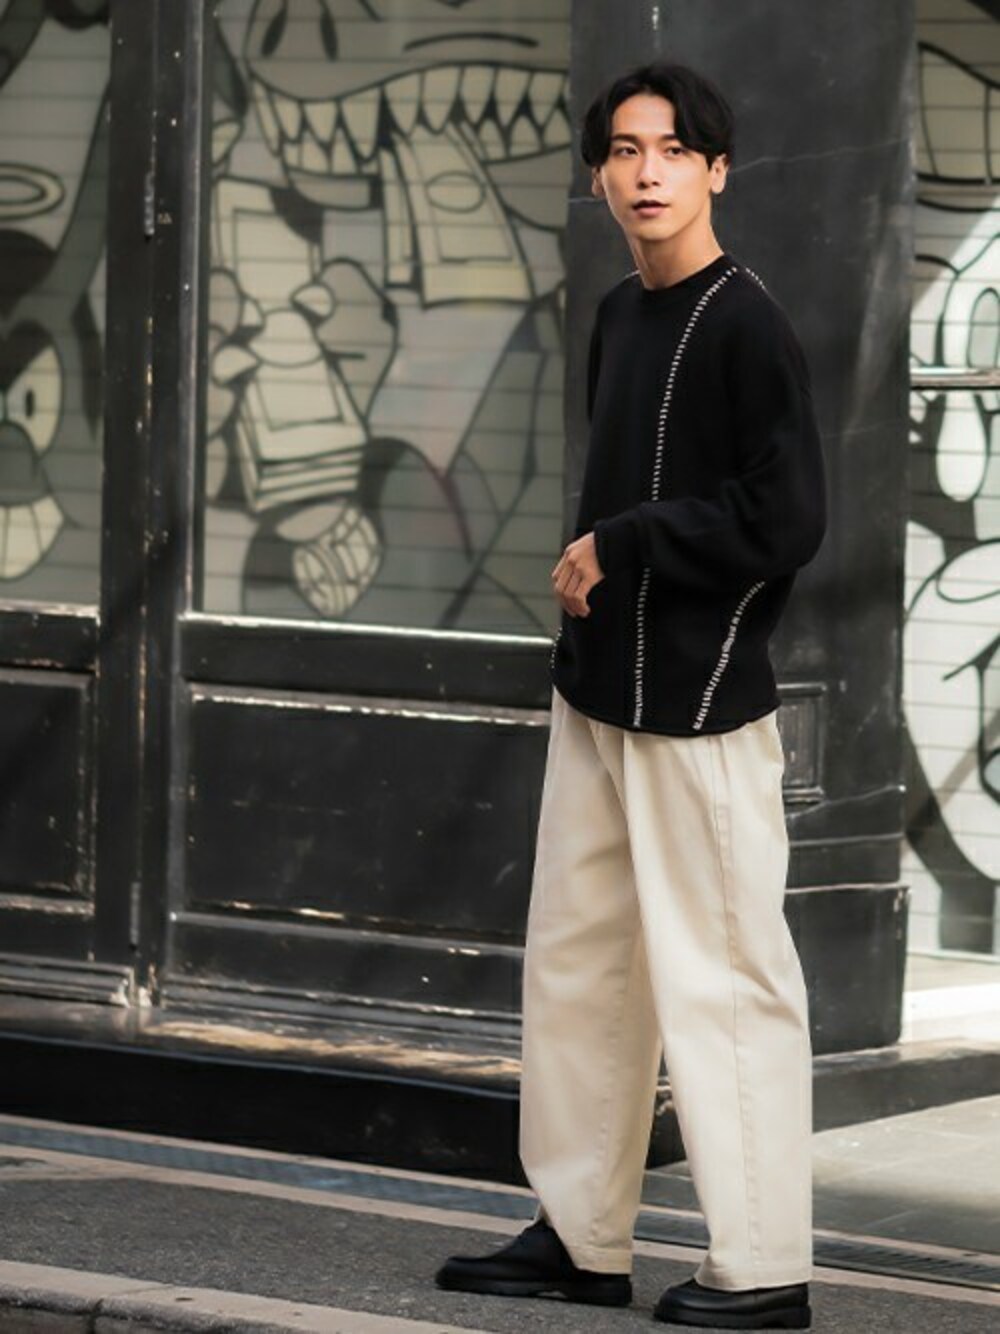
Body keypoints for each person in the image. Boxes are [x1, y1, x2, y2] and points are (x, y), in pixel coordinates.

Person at [436, 60, 825, 1330]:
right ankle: (580, 1234)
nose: (645, 172)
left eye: (670, 150)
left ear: (716, 170)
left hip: (699, 708)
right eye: (621, 150)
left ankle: (762, 1265)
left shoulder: (747, 323)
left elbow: (786, 518)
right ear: (598, 175)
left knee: (723, 979)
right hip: (598, 691)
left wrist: (626, 541)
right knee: (581, 968)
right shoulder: (619, 312)